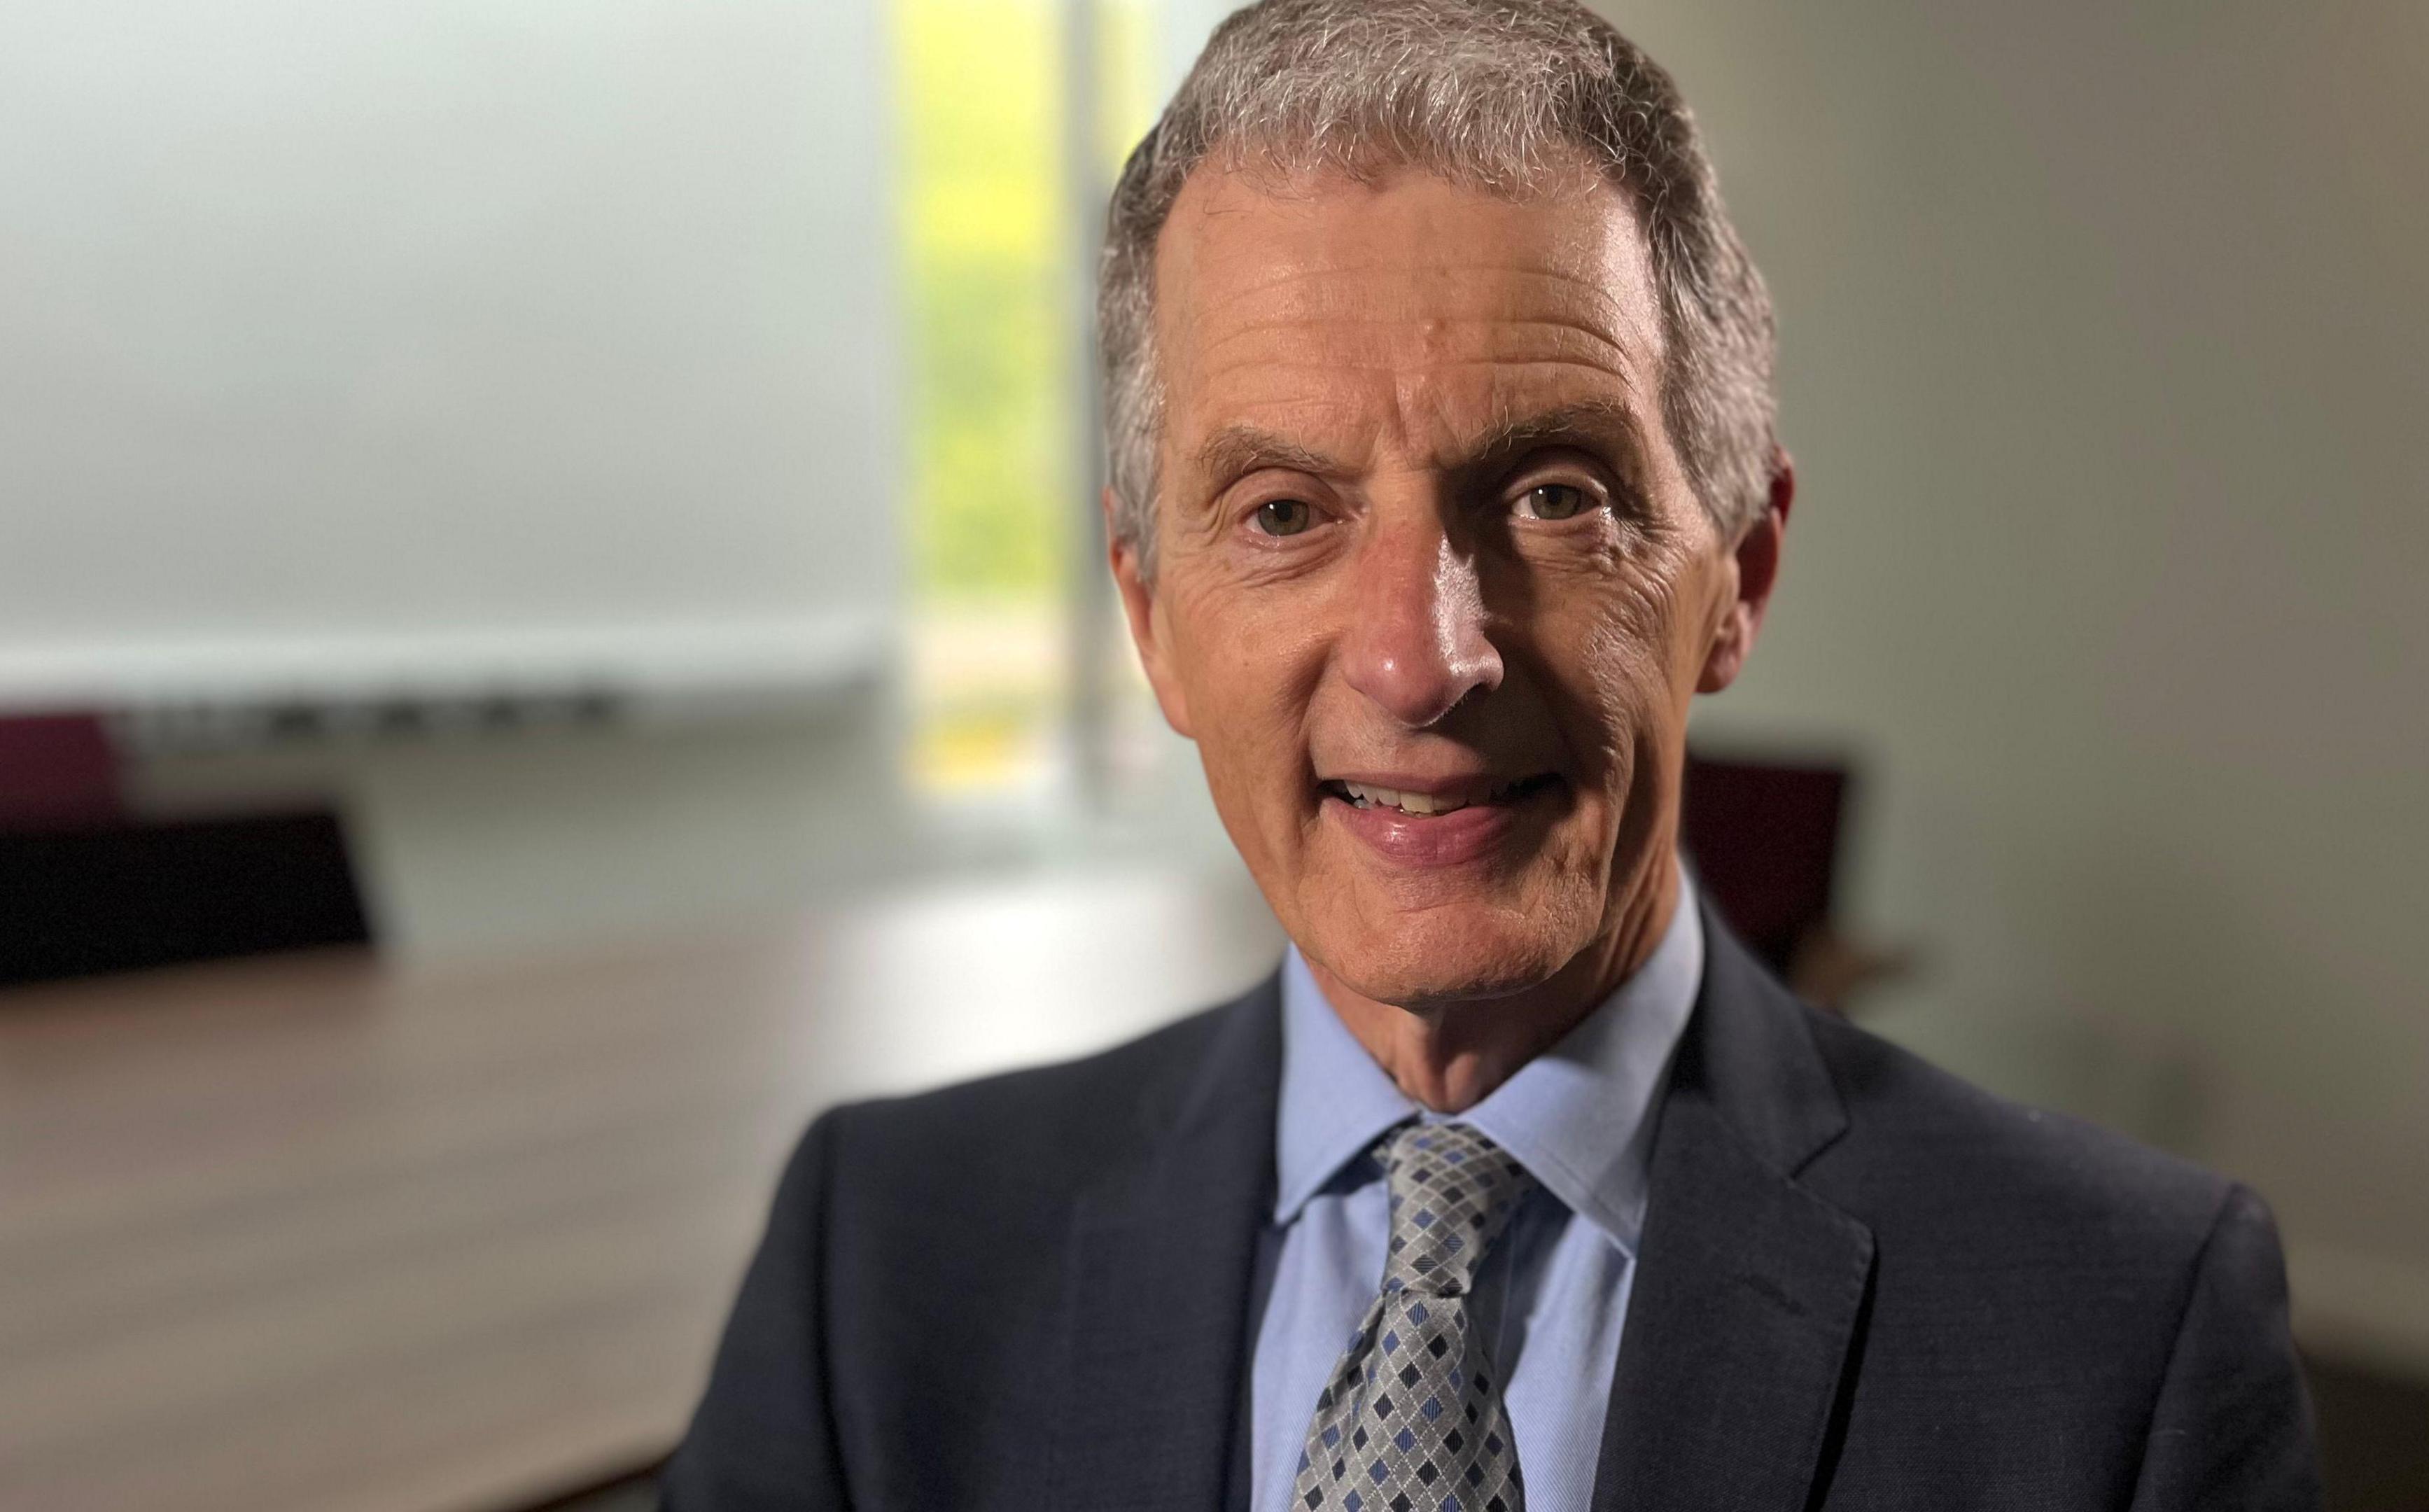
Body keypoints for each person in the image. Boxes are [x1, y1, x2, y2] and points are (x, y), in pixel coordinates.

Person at [664, 1, 2320, 1506]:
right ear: (1153, 619)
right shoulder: (876, 1263)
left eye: (1551, 495)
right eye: (1285, 512)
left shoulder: (2130, 1340)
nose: (1420, 655)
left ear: (1735, 575)